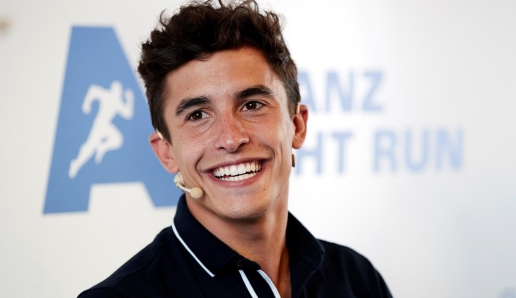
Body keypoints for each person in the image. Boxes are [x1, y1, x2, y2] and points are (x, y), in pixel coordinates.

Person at [79, 0, 392, 297]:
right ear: (166, 152)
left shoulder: (357, 278)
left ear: (297, 125)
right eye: (197, 115)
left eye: (252, 105)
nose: (230, 139)